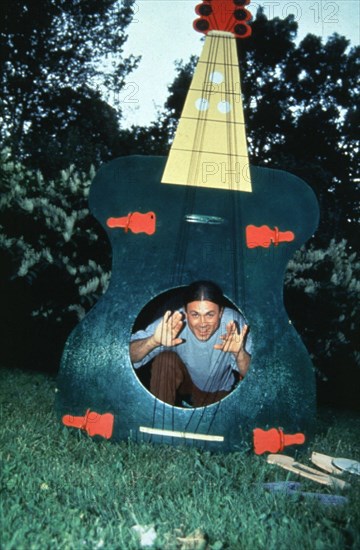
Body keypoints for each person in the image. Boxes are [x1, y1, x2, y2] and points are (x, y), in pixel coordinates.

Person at [130, 281, 251, 407]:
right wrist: (153, 341)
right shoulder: (175, 321)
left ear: (220, 313)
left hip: (216, 390)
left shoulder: (233, 324)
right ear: (186, 313)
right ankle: (161, 420)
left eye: (210, 314)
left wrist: (239, 354)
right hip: (184, 380)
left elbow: (255, 375)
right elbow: (128, 356)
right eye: (195, 315)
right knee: (164, 360)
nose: (202, 323)